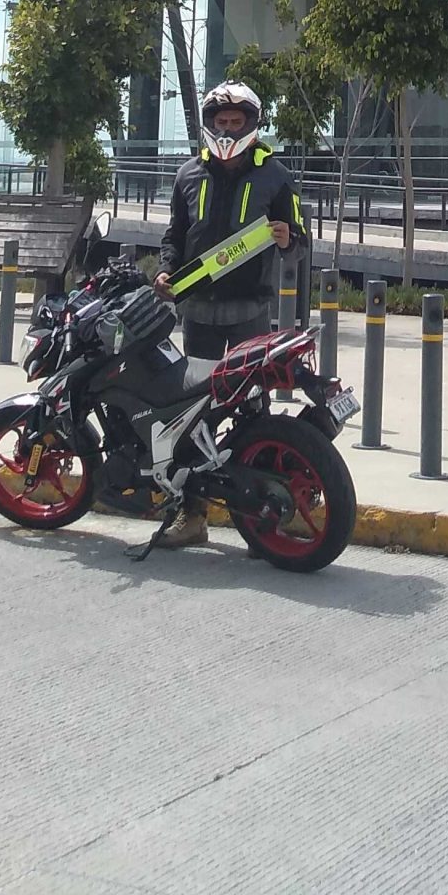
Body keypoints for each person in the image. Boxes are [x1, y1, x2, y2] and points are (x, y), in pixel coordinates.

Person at [152, 78, 306, 547]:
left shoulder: (276, 176)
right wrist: (164, 271)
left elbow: (300, 243)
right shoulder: (186, 176)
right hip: (197, 311)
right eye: (221, 121)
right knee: (191, 413)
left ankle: (263, 523)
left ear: (252, 125)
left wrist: (287, 239)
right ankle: (193, 515)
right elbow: (174, 237)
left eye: (236, 121)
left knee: (254, 416)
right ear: (209, 124)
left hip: (249, 312)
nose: (227, 128)